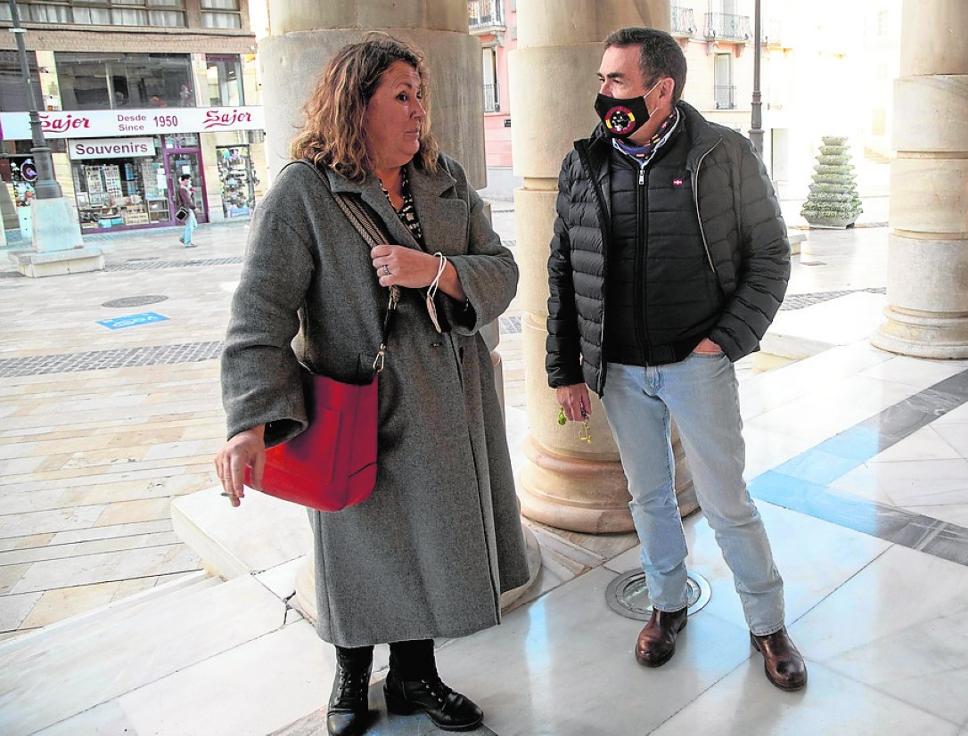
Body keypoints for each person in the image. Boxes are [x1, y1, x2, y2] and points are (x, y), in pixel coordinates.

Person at [215, 35, 529, 735]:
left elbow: (501, 271)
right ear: (356, 104)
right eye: (402, 96)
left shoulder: (444, 179)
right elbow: (259, 313)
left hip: (452, 410)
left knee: (432, 543)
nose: (420, 110)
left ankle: (416, 674)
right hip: (360, 411)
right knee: (359, 545)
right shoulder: (305, 191)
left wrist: (439, 271)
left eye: (421, 94)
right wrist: (248, 420)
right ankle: (352, 673)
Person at [545, 27, 806, 691]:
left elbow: (771, 256)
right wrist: (566, 368)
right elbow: (563, 269)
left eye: (618, 82)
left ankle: (767, 622)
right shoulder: (586, 162)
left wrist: (725, 340)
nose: (604, 94)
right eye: (603, 80)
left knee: (725, 501)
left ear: (662, 89)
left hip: (697, 362)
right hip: (621, 371)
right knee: (649, 497)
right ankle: (667, 606)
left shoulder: (724, 154)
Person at [175, 174, 197, 247]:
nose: (189, 181)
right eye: (188, 179)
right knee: (190, 226)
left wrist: (191, 190)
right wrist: (194, 207)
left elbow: (191, 194)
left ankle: (183, 238)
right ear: (184, 180)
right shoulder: (182, 189)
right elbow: (187, 201)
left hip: (188, 208)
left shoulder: (185, 188)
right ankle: (187, 243)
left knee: (194, 225)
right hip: (186, 209)